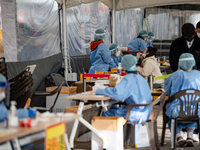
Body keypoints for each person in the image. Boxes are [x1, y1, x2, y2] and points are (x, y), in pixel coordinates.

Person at [95, 54, 152, 123]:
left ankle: (103, 133)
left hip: (135, 114)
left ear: (124, 67)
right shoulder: (141, 78)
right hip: (146, 112)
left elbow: (117, 95)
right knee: (114, 108)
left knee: (107, 114)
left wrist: (98, 90)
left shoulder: (128, 79)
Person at [164, 53, 200, 147]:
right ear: (193, 62)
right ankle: (190, 136)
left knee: (167, 111)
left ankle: (178, 136)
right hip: (196, 112)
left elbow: (166, 91)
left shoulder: (173, 76)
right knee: (194, 111)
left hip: (176, 111)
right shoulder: (199, 75)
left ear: (179, 63)